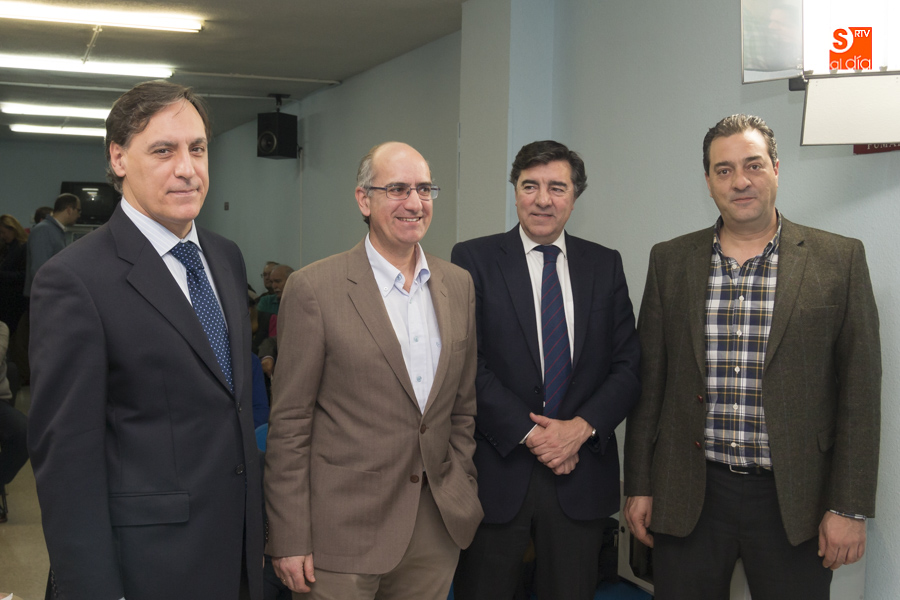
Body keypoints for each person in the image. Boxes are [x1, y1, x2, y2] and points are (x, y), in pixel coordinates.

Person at [623, 114, 881, 600]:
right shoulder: (669, 261)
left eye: (753, 165)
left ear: (776, 169)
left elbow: (860, 395)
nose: (739, 181)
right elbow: (649, 385)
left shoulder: (838, 260)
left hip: (795, 501)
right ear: (707, 181)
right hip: (690, 493)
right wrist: (638, 484)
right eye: (723, 170)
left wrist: (849, 506)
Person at [27, 80, 264, 600]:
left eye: (197, 149)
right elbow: (67, 462)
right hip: (149, 568)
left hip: (239, 559)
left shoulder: (225, 257)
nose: (187, 168)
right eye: (163, 150)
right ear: (118, 158)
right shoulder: (74, 280)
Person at [265, 141, 483, 600]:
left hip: (434, 527)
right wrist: (290, 534)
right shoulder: (313, 288)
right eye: (397, 189)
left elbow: (462, 408)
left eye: (424, 189)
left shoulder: (458, 285)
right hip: (340, 534)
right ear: (364, 200)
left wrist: (461, 480)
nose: (415, 202)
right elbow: (290, 424)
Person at [450, 140, 641, 600]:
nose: (542, 200)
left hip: (580, 475)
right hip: (499, 473)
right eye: (529, 186)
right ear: (515, 191)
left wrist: (580, 429)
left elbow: (628, 365)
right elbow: (466, 362)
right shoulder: (473, 260)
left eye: (557, 187)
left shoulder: (604, 264)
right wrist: (535, 435)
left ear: (575, 196)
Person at [24, 193, 81, 299]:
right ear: (69, 210)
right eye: (78, 210)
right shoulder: (43, 230)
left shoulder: (56, 230)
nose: (79, 215)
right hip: (43, 298)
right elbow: (39, 269)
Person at [0, 215, 28, 334]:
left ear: (13, 229)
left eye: (3, 232)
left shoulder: (23, 248)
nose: (2, 236)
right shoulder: (6, 247)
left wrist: (2, 274)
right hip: (5, 298)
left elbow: (24, 275)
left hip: (15, 300)